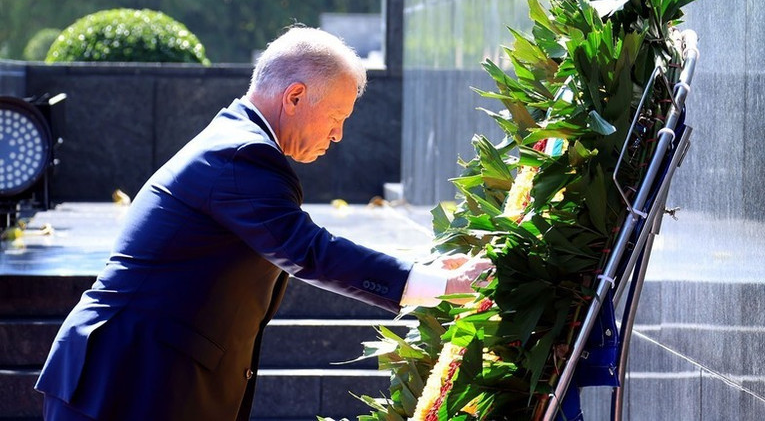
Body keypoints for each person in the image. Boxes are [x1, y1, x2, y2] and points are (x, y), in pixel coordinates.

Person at [34, 27, 489, 421]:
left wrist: (429, 273)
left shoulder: (238, 141)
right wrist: (435, 286)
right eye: (336, 117)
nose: (338, 135)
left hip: (138, 381)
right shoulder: (241, 154)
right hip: (124, 385)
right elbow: (308, 250)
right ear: (294, 96)